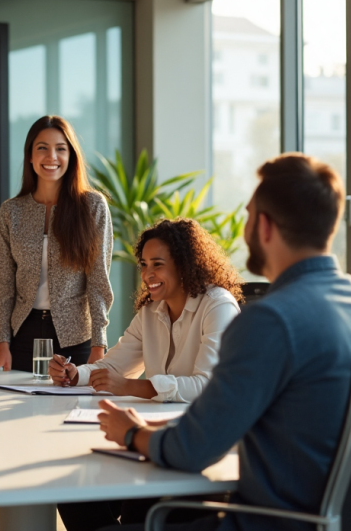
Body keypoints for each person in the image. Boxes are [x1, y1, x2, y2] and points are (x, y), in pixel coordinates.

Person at [95, 154, 351, 531]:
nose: (245, 227)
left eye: (250, 215)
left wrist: (132, 432)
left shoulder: (269, 322)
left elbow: (193, 450)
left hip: (275, 522)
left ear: (265, 227)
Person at [51, 218, 241, 530]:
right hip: (150, 437)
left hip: (192, 445)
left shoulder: (218, 306)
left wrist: (132, 387)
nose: (147, 274)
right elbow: (114, 364)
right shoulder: (151, 312)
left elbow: (208, 386)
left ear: (185, 265)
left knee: (107, 498)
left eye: (158, 264)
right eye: (144, 264)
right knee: (73, 490)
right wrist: (76, 374)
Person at [0, 115, 113, 372]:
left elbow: (99, 282)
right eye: (42, 148)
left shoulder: (93, 207)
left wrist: (99, 345)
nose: (51, 157)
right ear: (30, 156)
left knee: (70, 411)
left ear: (71, 157)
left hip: (76, 339)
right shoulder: (11, 212)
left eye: (60, 149)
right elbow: (3, 285)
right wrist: (2, 342)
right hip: (22, 337)